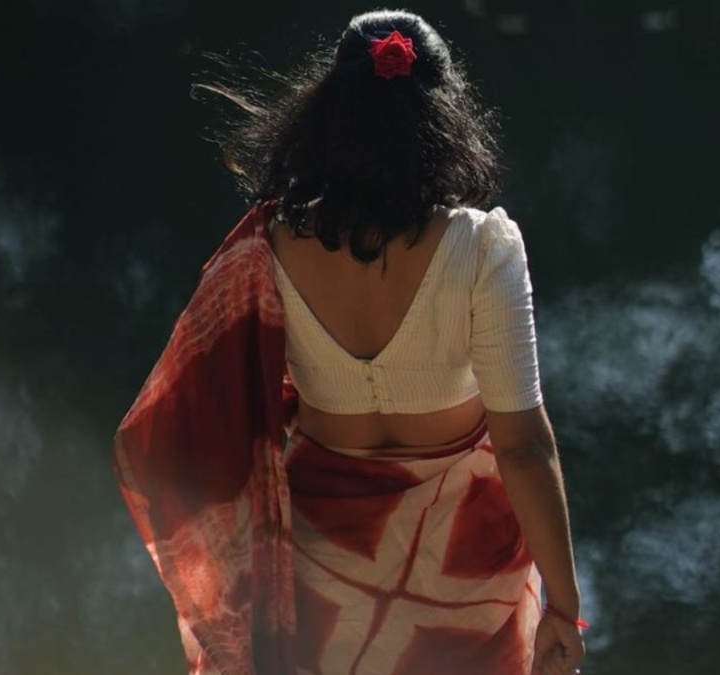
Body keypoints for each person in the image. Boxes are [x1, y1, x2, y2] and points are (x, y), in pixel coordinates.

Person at [114, 9, 587, 675]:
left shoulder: (271, 245)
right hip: (466, 568)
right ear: (444, 114)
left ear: (329, 112)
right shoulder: (483, 247)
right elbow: (523, 447)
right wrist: (564, 606)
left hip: (325, 554)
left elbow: (187, 416)